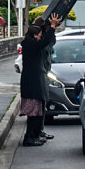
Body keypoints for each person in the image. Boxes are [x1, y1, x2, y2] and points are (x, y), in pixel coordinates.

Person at [19, 13, 62, 146]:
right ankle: (29, 137)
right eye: (38, 35)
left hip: (33, 83)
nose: (39, 37)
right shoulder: (31, 45)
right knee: (33, 112)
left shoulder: (30, 44)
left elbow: (46, 41)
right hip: (32, 84)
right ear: (33, 36)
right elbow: (45, 42)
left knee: (36, 111)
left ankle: (33, 135)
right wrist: (53, 26)